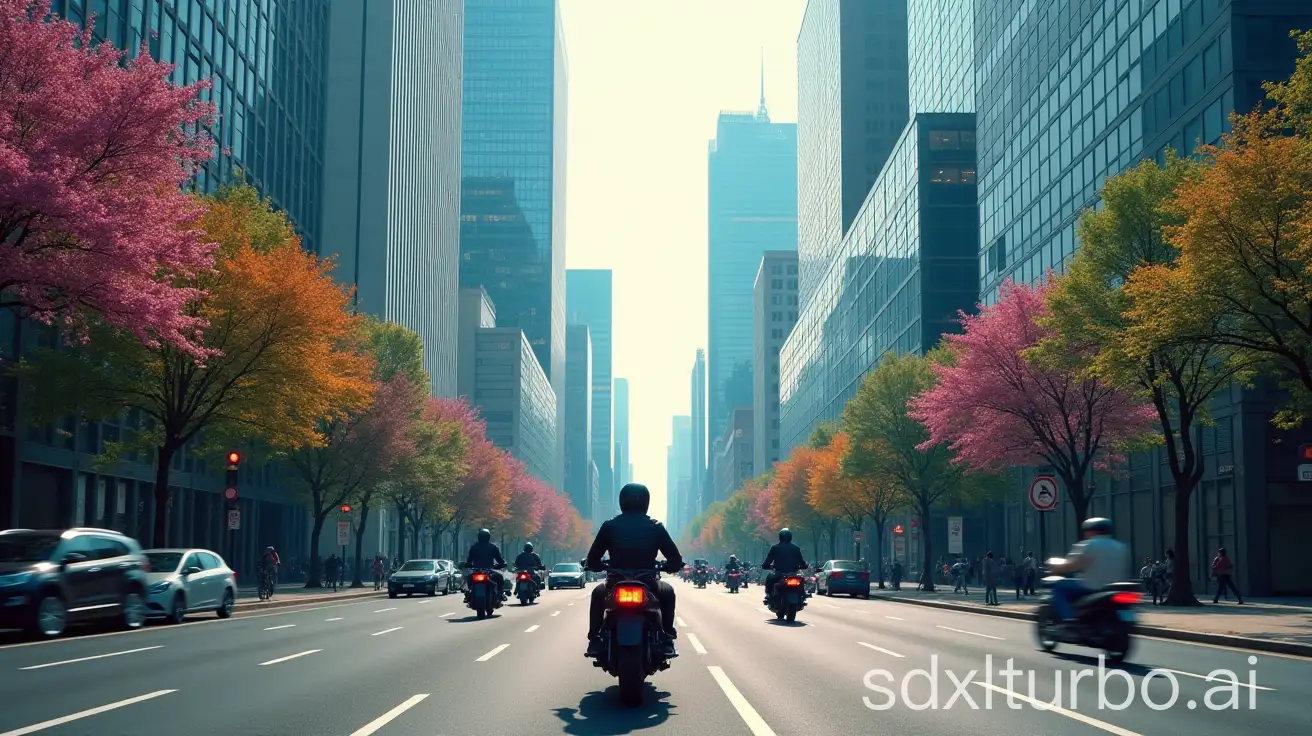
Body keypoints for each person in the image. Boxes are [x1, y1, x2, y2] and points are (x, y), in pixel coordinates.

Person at [584, 483, 683, 658]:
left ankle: (595, 639)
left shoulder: (609, 526)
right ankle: (667, 638)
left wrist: (595, 565)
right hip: (647, 581)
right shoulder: (656, 526)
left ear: (622, 501)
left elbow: (593, 558)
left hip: (615, 580)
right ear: (646, 502)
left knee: (598, 595)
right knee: (668, 593)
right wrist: (671, 566)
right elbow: (675, 558)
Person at [1049, 517, 1131, 622]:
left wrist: (1057, 569)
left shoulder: (1088, 545)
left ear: (1092, 531)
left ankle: (1069, 619)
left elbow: (1074, 565)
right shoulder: (1121, 547)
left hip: (1091, 587)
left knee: (1059, 586)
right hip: (1114, 588)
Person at [761, 528, 808, 604]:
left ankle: (769, 596)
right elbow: (801, 561)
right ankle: (803, 595)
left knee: (769, 578)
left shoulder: (775, 548)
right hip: (793, 573)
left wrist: (766, 565)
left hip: (779, 573)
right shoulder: (796, 548)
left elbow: (768, 561)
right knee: (801, 580)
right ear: (790, 537)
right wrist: (804, 565)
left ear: (780, 537)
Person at [463, 528, 507, 601]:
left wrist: (467, 565)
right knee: (500, 578)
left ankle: (468, 595)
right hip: (489, 570)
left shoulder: (474, 547)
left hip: (476, 571)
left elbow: (469, 560)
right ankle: (500, 594)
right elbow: (499, 559)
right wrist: (502, 564)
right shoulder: (493, 547)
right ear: (488, 537)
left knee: (468, 579)